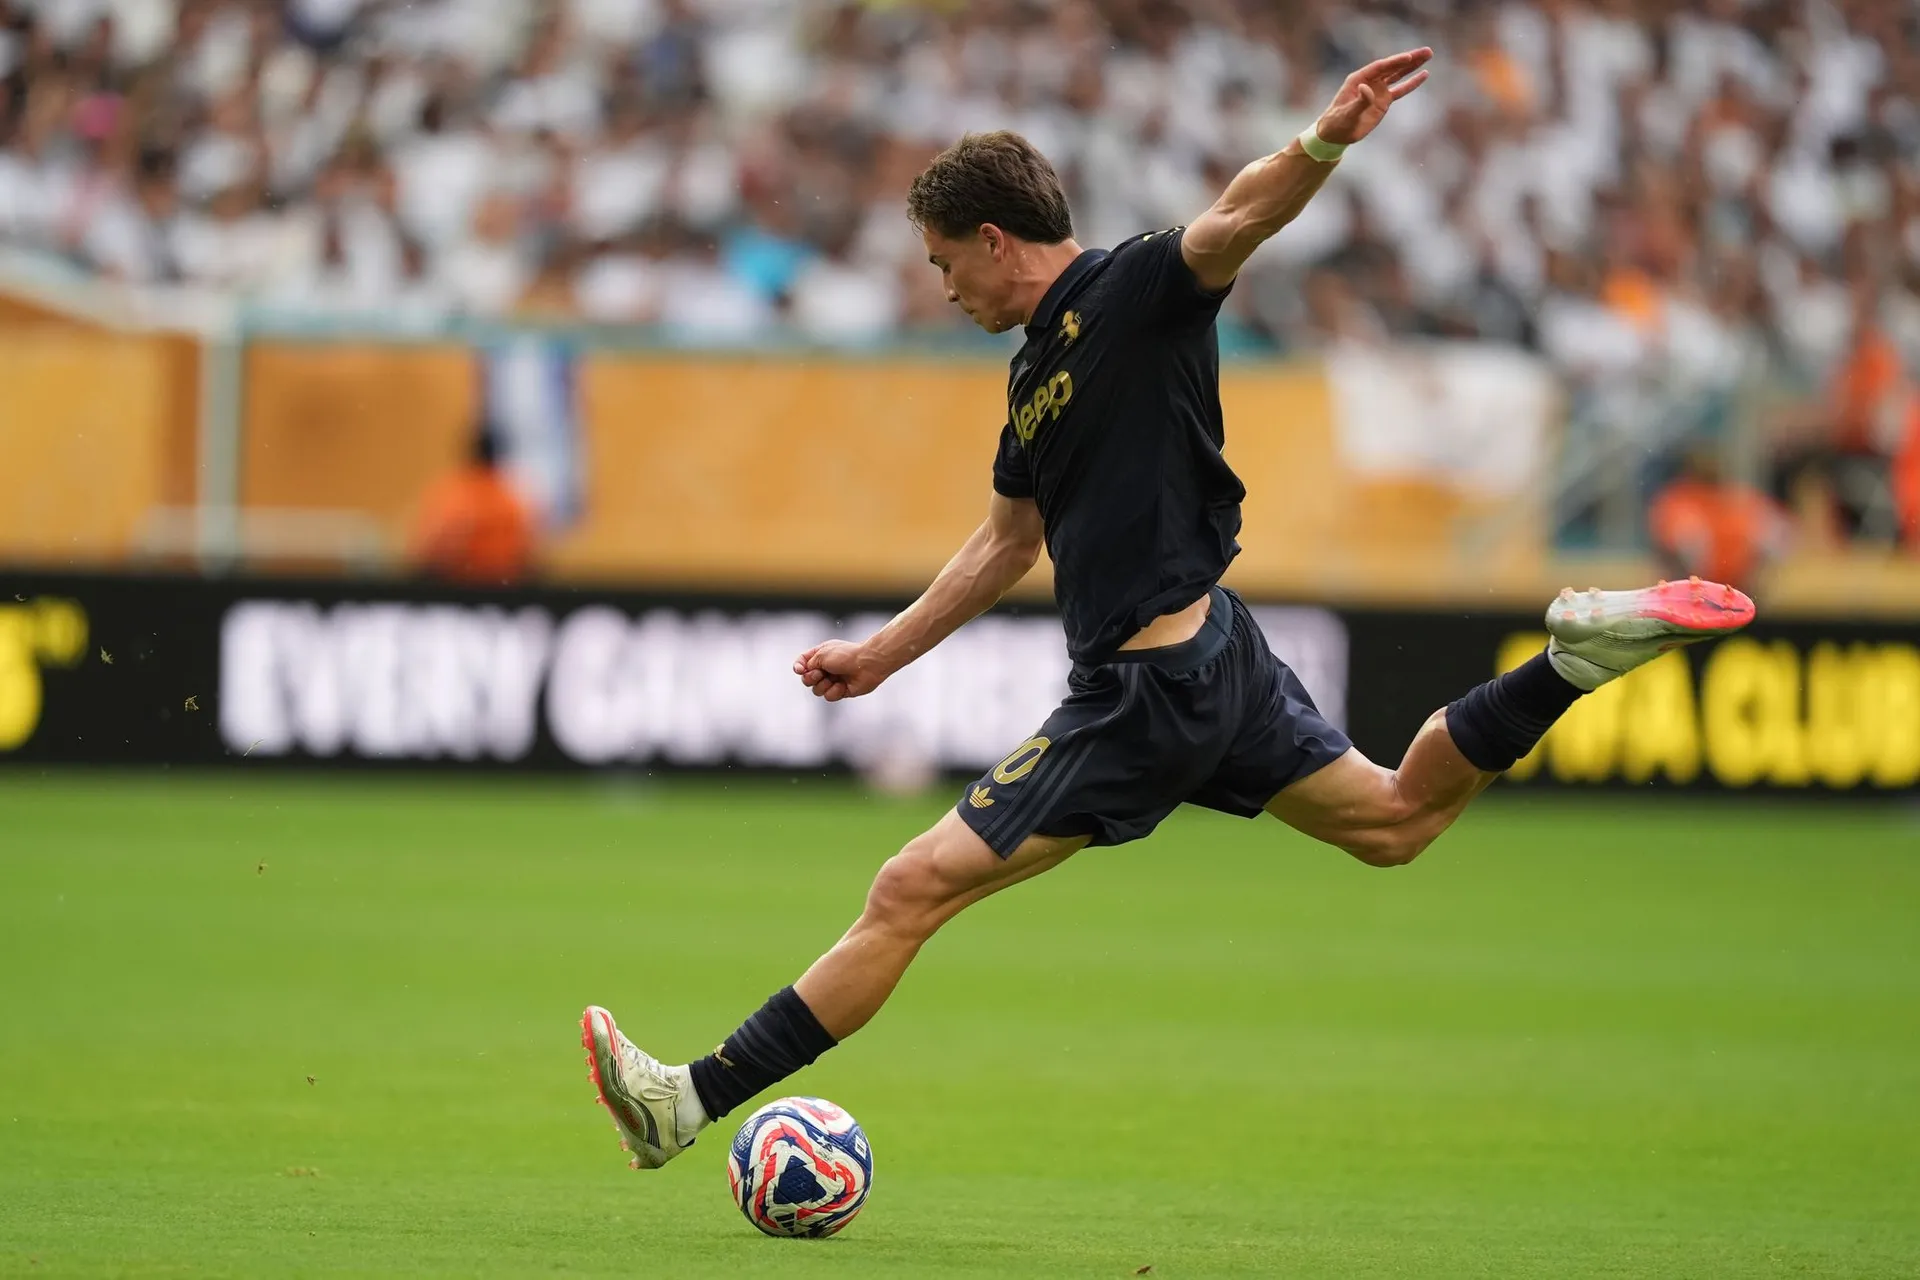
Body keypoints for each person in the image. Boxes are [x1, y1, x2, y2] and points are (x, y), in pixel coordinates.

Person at [579, 48, 1756, 1169]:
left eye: (944, 263)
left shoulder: (1134, 288)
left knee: (908, 889)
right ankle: (1571, 660)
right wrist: (882, 654)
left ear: (994, 240)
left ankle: (687, 1102)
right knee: (1397, 816)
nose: (944, 288)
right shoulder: (1032, 376)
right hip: (1218, 653)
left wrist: (1321, 143)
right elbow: (1007, 542)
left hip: (1147, 690)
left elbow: (1236, 218)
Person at [407, 427, 536, 586]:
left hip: (461, 586)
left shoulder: (456, 496)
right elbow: (526, 552)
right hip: (503, 586)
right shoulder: (512, 498)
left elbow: (429, 549)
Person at [1649, 448, 1791, 592]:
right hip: (1693, 586)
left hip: (1736, 585)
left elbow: (1779, 536)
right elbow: (1688, 545)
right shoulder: (1678, 502)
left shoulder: (1738, 501)